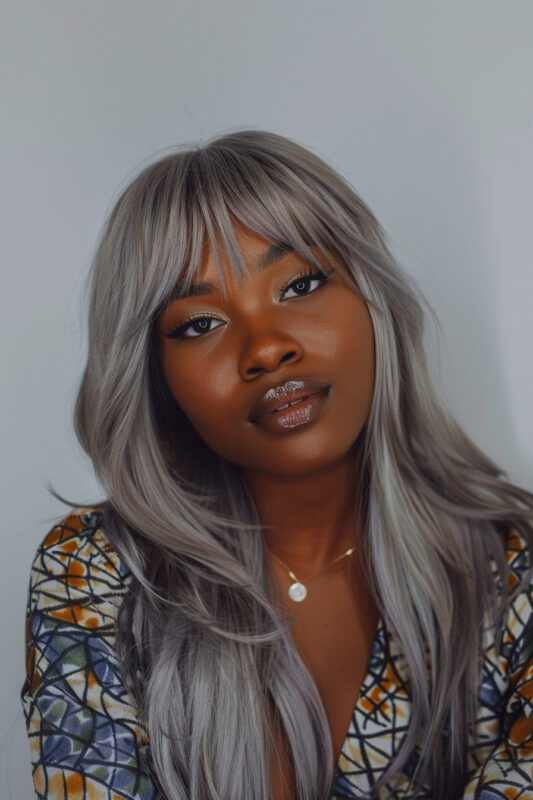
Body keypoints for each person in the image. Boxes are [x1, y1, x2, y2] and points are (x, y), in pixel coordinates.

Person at [21, 130, 533, 800]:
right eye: (200, 324)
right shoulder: (94, 576)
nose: (265, 347)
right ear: (153, 378)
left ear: (372, 299)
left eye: (299, 283)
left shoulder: (512, 566)